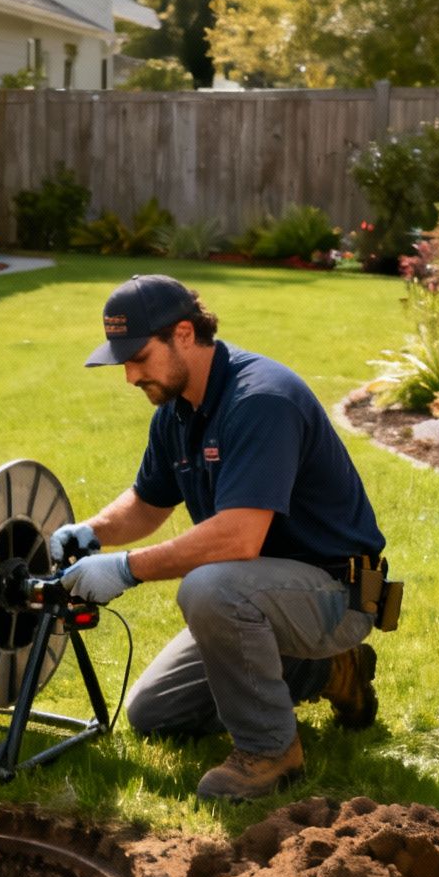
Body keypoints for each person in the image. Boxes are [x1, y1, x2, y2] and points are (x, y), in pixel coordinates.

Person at [53, 274, 388, 803]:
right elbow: (146, 503)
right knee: (155, 714)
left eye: (138, 356)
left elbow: (238, 538)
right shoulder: (177, 410)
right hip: (267, 593)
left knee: (210, 589)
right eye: (123, 362)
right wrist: (89, 533)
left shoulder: (261, 400)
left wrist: (124, 569)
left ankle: (270, 750)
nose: (130, 376)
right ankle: (328, 673)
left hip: (340, 593)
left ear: (183, 333)